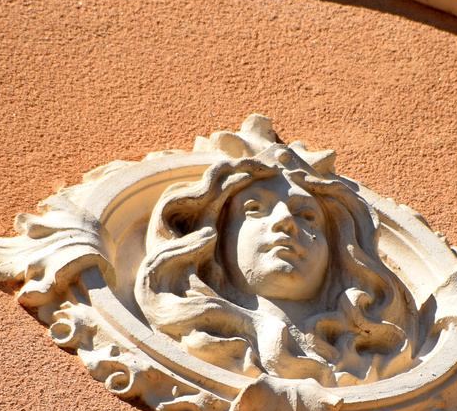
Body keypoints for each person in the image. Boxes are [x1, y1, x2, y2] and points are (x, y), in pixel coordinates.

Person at [135, 146, 419, 386]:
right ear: (216, 240)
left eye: (307, 215)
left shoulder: (378, 356)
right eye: (254, 209)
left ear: (342, 253)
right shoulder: (202, 337)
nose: (286, 222)